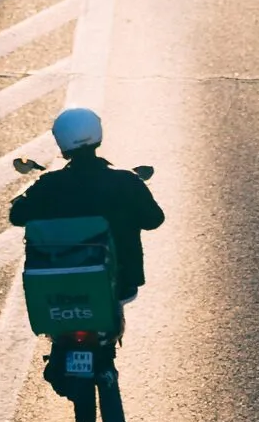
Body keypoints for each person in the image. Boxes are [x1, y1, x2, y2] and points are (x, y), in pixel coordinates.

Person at [9, 107, 164, 311]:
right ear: (98, 135)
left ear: (62, 143)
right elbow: (154, 220)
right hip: (121, 279)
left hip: (60, 278)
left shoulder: (49, 184)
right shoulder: (125, 181)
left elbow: (17, 216)